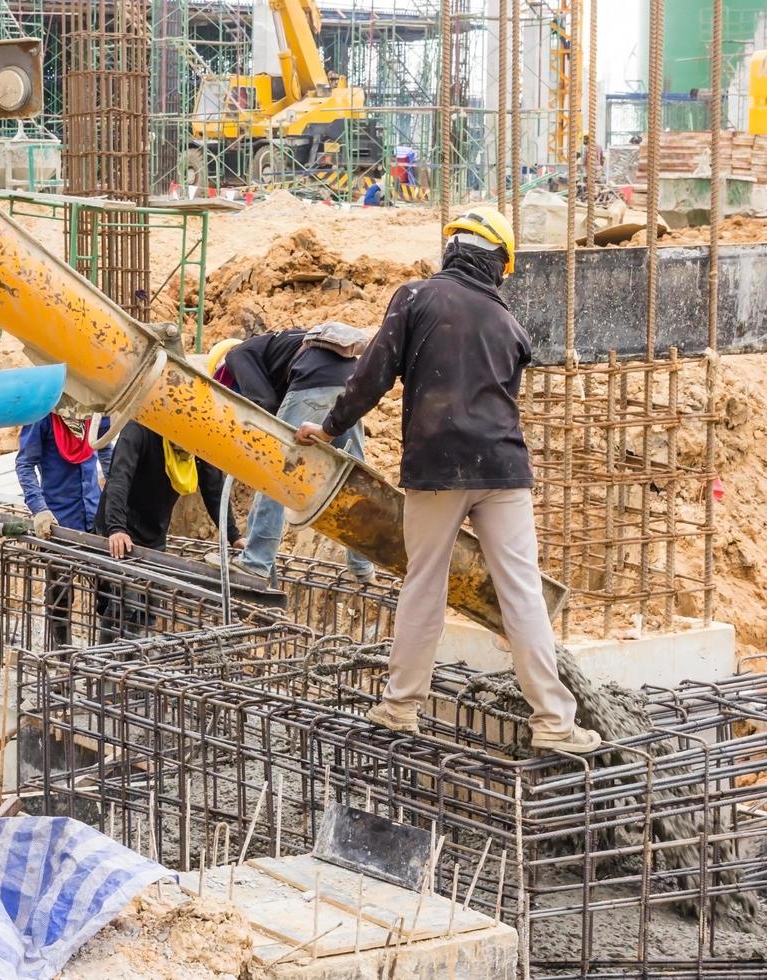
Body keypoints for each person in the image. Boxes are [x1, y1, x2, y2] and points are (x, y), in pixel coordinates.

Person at [295, 206, 602, 754]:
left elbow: (373, 373)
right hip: (504, 471)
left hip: (437, 468)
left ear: (452, 250)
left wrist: (331, 427)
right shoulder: (510, 325)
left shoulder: (416, 298)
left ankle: (400, 706)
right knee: (522, 592)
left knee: (425, 584)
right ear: (498, 263)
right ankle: (554, 724)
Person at [208, 325, 374, 584]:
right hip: (349, 382)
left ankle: (256, 561)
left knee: (275, 472)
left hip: (313, 379)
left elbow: (266, 404)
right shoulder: (278, 347)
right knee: (352, 477)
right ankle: (362, 565)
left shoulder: (236, 355)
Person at [95, 422, 242, 640]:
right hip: (120, 530)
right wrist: (116, 528)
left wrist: (234, 536)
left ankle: (131, 663)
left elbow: (214, 489)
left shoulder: (195, 442)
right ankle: (103, 666)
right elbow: (119, 477)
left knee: (148, 609)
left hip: (154, 534)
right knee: (125, 604)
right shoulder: (140, 429)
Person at [15, 410, 112, 646]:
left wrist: (117, 493)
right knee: (60, 595)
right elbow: (25, 464)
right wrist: (39, 508)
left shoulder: (95, 413)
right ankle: (62, 656)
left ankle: (107, 655)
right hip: (59, 523)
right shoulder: (43, 416)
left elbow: (107, 450)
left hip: (94, 516)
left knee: (110, 592)